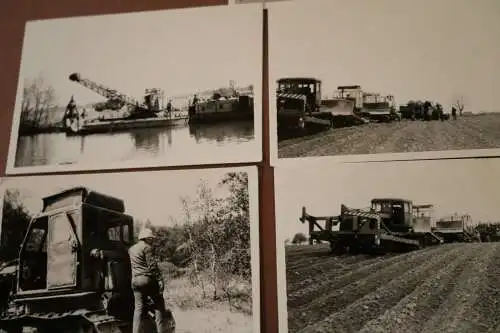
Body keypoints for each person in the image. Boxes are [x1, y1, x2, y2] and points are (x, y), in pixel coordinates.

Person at [129, 228, 175, 333]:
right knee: (159, 305)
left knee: (138, 309)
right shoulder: (147, 248)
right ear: (147, 238)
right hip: (147, 279)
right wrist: (160, 279)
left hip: (135, 281)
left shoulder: (131, 249)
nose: (152, 240)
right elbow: (152, 266)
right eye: (151, 238)